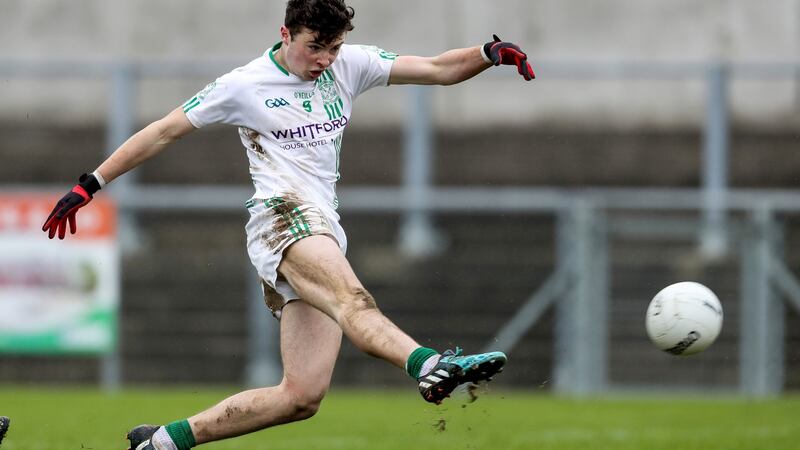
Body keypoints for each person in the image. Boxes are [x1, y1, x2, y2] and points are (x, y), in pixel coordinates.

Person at [41, 1, 534, 448]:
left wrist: (488, 52)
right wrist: (91, 184)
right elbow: (164, 130)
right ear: (286, 34)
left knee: (300, 396)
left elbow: (435, 68)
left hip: (322, 223)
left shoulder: (349, 64)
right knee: (354, 301)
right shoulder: (245, 84)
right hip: (282, 217)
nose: (323, 59)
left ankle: (162, 442)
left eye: (333, 47)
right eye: (314, 47)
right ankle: (431, 365)